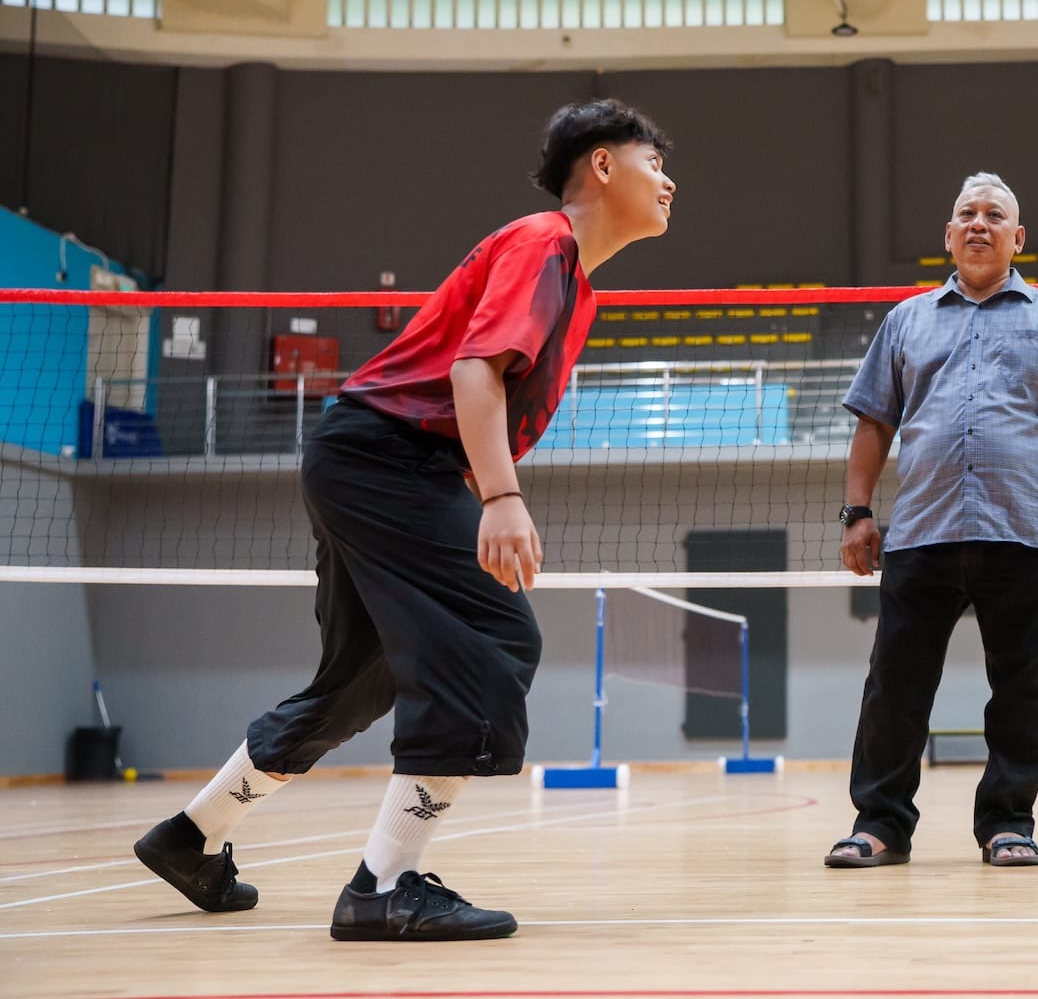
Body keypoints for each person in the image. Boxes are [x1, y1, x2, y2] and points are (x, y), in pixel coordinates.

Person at [133, 98, 676, 940]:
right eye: (655, 163)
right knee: (495, 637)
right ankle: (383, 886)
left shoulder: (579, 287)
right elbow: (474, 373)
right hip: (387, 457)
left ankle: (190, 837)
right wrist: (499, 498)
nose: (669, 181)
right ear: (603, 166)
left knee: (361, 678)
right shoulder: (543, 243)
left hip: (370, 459)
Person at [825, 173, 1038, 870]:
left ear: (1018, 238)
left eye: (995, 215)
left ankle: (1007, 823)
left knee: (1023, 689)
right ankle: (879, 825)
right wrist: (858, 514)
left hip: (1026, 532)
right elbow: (874, 422)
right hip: (922, 533)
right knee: (894, 688)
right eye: (967, 214)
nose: (980, 224)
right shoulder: (907, 319)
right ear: (949, 235)